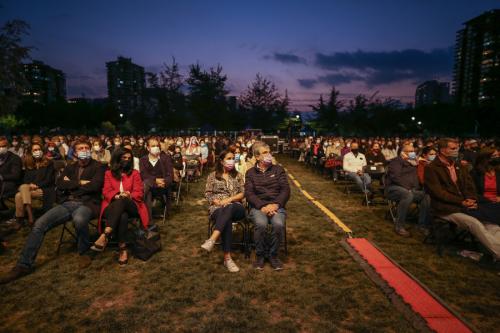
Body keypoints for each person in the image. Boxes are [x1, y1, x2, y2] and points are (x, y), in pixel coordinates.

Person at [0, 139, 105, 284]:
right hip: (68, 203)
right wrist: (80, 183)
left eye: (87, 147)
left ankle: (84, 250)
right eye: (81, 148)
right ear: (75, 152)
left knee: (80, 219)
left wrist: (71, 184)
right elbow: (60, 183)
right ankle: (23, 265)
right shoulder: (71, 166)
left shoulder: (99, 166)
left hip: (88, 203)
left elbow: (95, 186)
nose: (84, 150)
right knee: (39, 224)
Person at [425, 138, 500, 259]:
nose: (456, 151)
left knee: (491, 223)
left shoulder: (459, 166)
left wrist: (470, 199)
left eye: (457, 148)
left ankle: (496, 252)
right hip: (446, 208)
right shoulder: (432, 168)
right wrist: (461, 202)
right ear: (443, 150)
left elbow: (470, 186)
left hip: (464, 205)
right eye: (453, 149)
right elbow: (438, 193)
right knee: (474, 223)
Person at [91, 148, 149, 265]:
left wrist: (128, 194)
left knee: (123, 201)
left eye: (129, 158)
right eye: (124, 158)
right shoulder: (108, 173)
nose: (127, 160)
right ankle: (123, 249)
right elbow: (106, 191)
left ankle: (105, 234)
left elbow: (139, 192)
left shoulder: (135, 173)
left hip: (132, 204)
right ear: (118, 158)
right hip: (112, 206)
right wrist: (117, 196)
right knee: (122, 215)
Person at [245, 141, 290, 271]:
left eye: (269, 152)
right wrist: (263, 206)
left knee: (278, 224)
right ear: (257, 157)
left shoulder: (278, 170)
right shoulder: (250, 173)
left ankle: (273, 255)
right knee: (261, 224)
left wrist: (276, 205)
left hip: (277, 206)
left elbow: (285, 190)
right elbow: (249, 193)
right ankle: (260, 255)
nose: (269, 154)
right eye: (265, 153)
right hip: (259, 207)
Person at [201, 150, 245, 273]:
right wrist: (217, 202)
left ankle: (213, 238)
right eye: (229, 158)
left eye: (233, 158)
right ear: (221, 161)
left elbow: (242, 193)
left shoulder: (238, 175)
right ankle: (227, 258)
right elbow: (208, 194)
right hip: (217, 208)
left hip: (237, 206)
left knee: (229, 207)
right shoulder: (212, 176)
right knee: (226, 218)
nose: (232, 160)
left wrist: (229, 199)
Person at [386, 143, 431, 237]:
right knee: (407, 195)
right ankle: (399, 226)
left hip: (411, 190)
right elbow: (395, 177)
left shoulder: (414, 163)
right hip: (394, 188)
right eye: (410, 151)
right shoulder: (396, 161)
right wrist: (408, 188)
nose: (413, 153)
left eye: (414, 151)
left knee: (426, 196)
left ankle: (422, 225)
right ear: (403, 152)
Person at [14, 143, 55, 227]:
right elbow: (26, 179)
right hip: (30, 189)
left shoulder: (49, 163)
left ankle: (21, 218)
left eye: (39, 149)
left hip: (44, 189)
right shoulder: (29, 164)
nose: (38, 151)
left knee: (20, 193)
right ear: (31, 152)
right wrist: (30, 185)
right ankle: (30, 216)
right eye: (35, 150)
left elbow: (49, 180)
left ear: (42, 151)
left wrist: (36, 185)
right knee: (21, 192)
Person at [139, 137, 173, 223]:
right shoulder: (143, 160)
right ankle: (148, 220)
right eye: (153, 146)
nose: (156, 147)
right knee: (147, 189)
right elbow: (143, 175)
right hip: (149, 187)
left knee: (146, 186)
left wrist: (163, 182)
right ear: (148, 148)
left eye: (157, 145)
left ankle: (139, 208)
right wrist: (155, 180)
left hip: (162, 187)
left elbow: (170, 176)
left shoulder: (165, 158)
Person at [0, 137, 23, 210]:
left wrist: (1, 176)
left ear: (8, 146)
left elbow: (16, 175)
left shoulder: (15, 158)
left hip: (9, 184)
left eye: (3, 146)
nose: (0, 148)